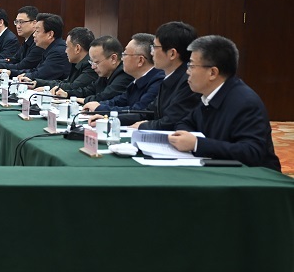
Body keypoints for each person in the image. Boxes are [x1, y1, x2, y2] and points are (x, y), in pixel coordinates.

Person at [169, 35, 281, 170]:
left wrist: (197, 144)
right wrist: (188, 138)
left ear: (212, 73)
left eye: (191, 66)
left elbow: (252, 152)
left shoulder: (245, 102)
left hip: (255, 177)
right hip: (220, 168)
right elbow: (185, 122)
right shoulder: (209, 95)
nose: (187, 72)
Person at [127, 21, 200, 130]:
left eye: (154, 47)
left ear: (172, 54)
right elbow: (147, 113)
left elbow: (171, 122)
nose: (151, 53)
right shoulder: (169, 78)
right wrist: (111, 118)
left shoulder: (189, 81)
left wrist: (143, 125)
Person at [83, 33, 165, 121]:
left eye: (125, 54)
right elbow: (119, 101)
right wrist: (97, 105)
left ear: (140, 60)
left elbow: (138, 111)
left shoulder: (158, 81)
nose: (122, 59)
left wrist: (100, 109)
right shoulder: (137, 81)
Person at [54, 35, 132, 104]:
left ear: (113, 58)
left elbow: (103, 97)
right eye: (92, 62)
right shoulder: (105, 73)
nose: (93, 67)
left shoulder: (124, 74)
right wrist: (67, 94)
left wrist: (79, 99)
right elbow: (88, 90)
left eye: (96, 62)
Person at [24, 27, 96, 92]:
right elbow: (65, 83)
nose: (65, 51)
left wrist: (47, 88)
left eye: (67, 47)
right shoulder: (77, 63)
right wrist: (38, 83)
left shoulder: (91, 65)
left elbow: (73, 87)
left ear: (77, 48)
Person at [0, 6, 41, 74]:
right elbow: (13, 59)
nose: (18, 26)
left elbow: (22, 66)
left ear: (34, 23)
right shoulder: (26, 41)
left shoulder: (38, 43)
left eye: (21, 22)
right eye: (16, 22)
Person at [16, 13, 70, 82]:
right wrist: (23, 74)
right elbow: (37, 70)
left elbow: (42, 74)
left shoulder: (58, 52)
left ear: (50, 34)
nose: (34, 35)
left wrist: (26, 76)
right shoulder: (50, 49)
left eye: (37, 31)